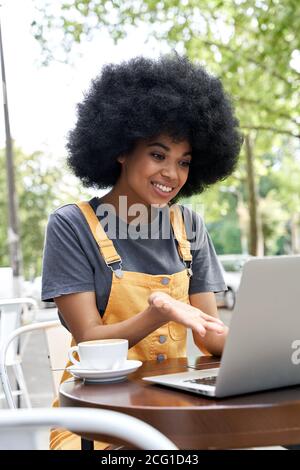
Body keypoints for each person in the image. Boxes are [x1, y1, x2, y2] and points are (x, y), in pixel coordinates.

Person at [41, 53, 243, 450]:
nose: (172, 174)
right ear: (120, 150)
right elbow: (90, 340)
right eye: (157, 154)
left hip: (172, 413)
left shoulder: (190, 226)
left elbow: (210, 338)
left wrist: (267, 345)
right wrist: (158, 313)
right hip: (93, 424)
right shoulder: (72, 225)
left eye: (184, 162)